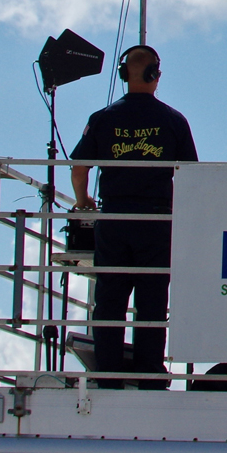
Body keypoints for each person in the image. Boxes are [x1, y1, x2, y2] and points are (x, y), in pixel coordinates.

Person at [70, 44, 198, 388]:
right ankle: (150, 376)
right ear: (155, 75)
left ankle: (107, 373)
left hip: (114, 219)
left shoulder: (102, 118)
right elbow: (191, 176)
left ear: (124, 74)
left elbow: (79, 167)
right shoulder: (173, 120)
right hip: (156, 222)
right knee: (152, 302)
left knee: (109, 300)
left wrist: (83, 202)